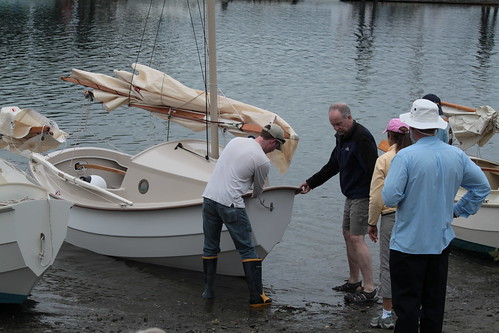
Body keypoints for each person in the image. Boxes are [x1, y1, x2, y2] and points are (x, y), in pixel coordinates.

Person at [382, 99, 491, 332]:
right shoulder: (457, 155)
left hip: (408, 245)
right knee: (433, 308)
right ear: (436, 127)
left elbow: (390, 197)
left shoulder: (405, 156)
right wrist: (458, 210)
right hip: (440, 243)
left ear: (411, 128)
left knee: (407, 309)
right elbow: (482, 188)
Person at [300, 102, 378, 302]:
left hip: (363, 194)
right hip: (350, 194)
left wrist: (376, 202)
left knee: (356, 238)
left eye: (339, 124)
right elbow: (333, 165)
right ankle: (354, 281)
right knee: (346, 234)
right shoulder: (341, 137)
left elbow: (373, 171)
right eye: (333, 125)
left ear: (349, 118)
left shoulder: (362, 138)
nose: (336, 129)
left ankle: (369, 289)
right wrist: (311, 182)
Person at [201, 123, 286, 307]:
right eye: (276, 147)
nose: (274, 151)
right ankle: (257, 298)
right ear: (273, 141)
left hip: (209, 198)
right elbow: (257, 193)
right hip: (230, 204)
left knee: (210, 247)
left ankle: (208, 292)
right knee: (247, 249)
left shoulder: (235, 141)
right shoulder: (262, 161)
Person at [368, 118, 411, 329]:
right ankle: (411, 308)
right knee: (412, 263)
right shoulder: (415, 156)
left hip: (390, 216)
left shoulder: (385, 159)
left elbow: (377, 197)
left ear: (389, 137)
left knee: (387, 264)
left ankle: (386, 313)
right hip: (413, 216)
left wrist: (371, 222)